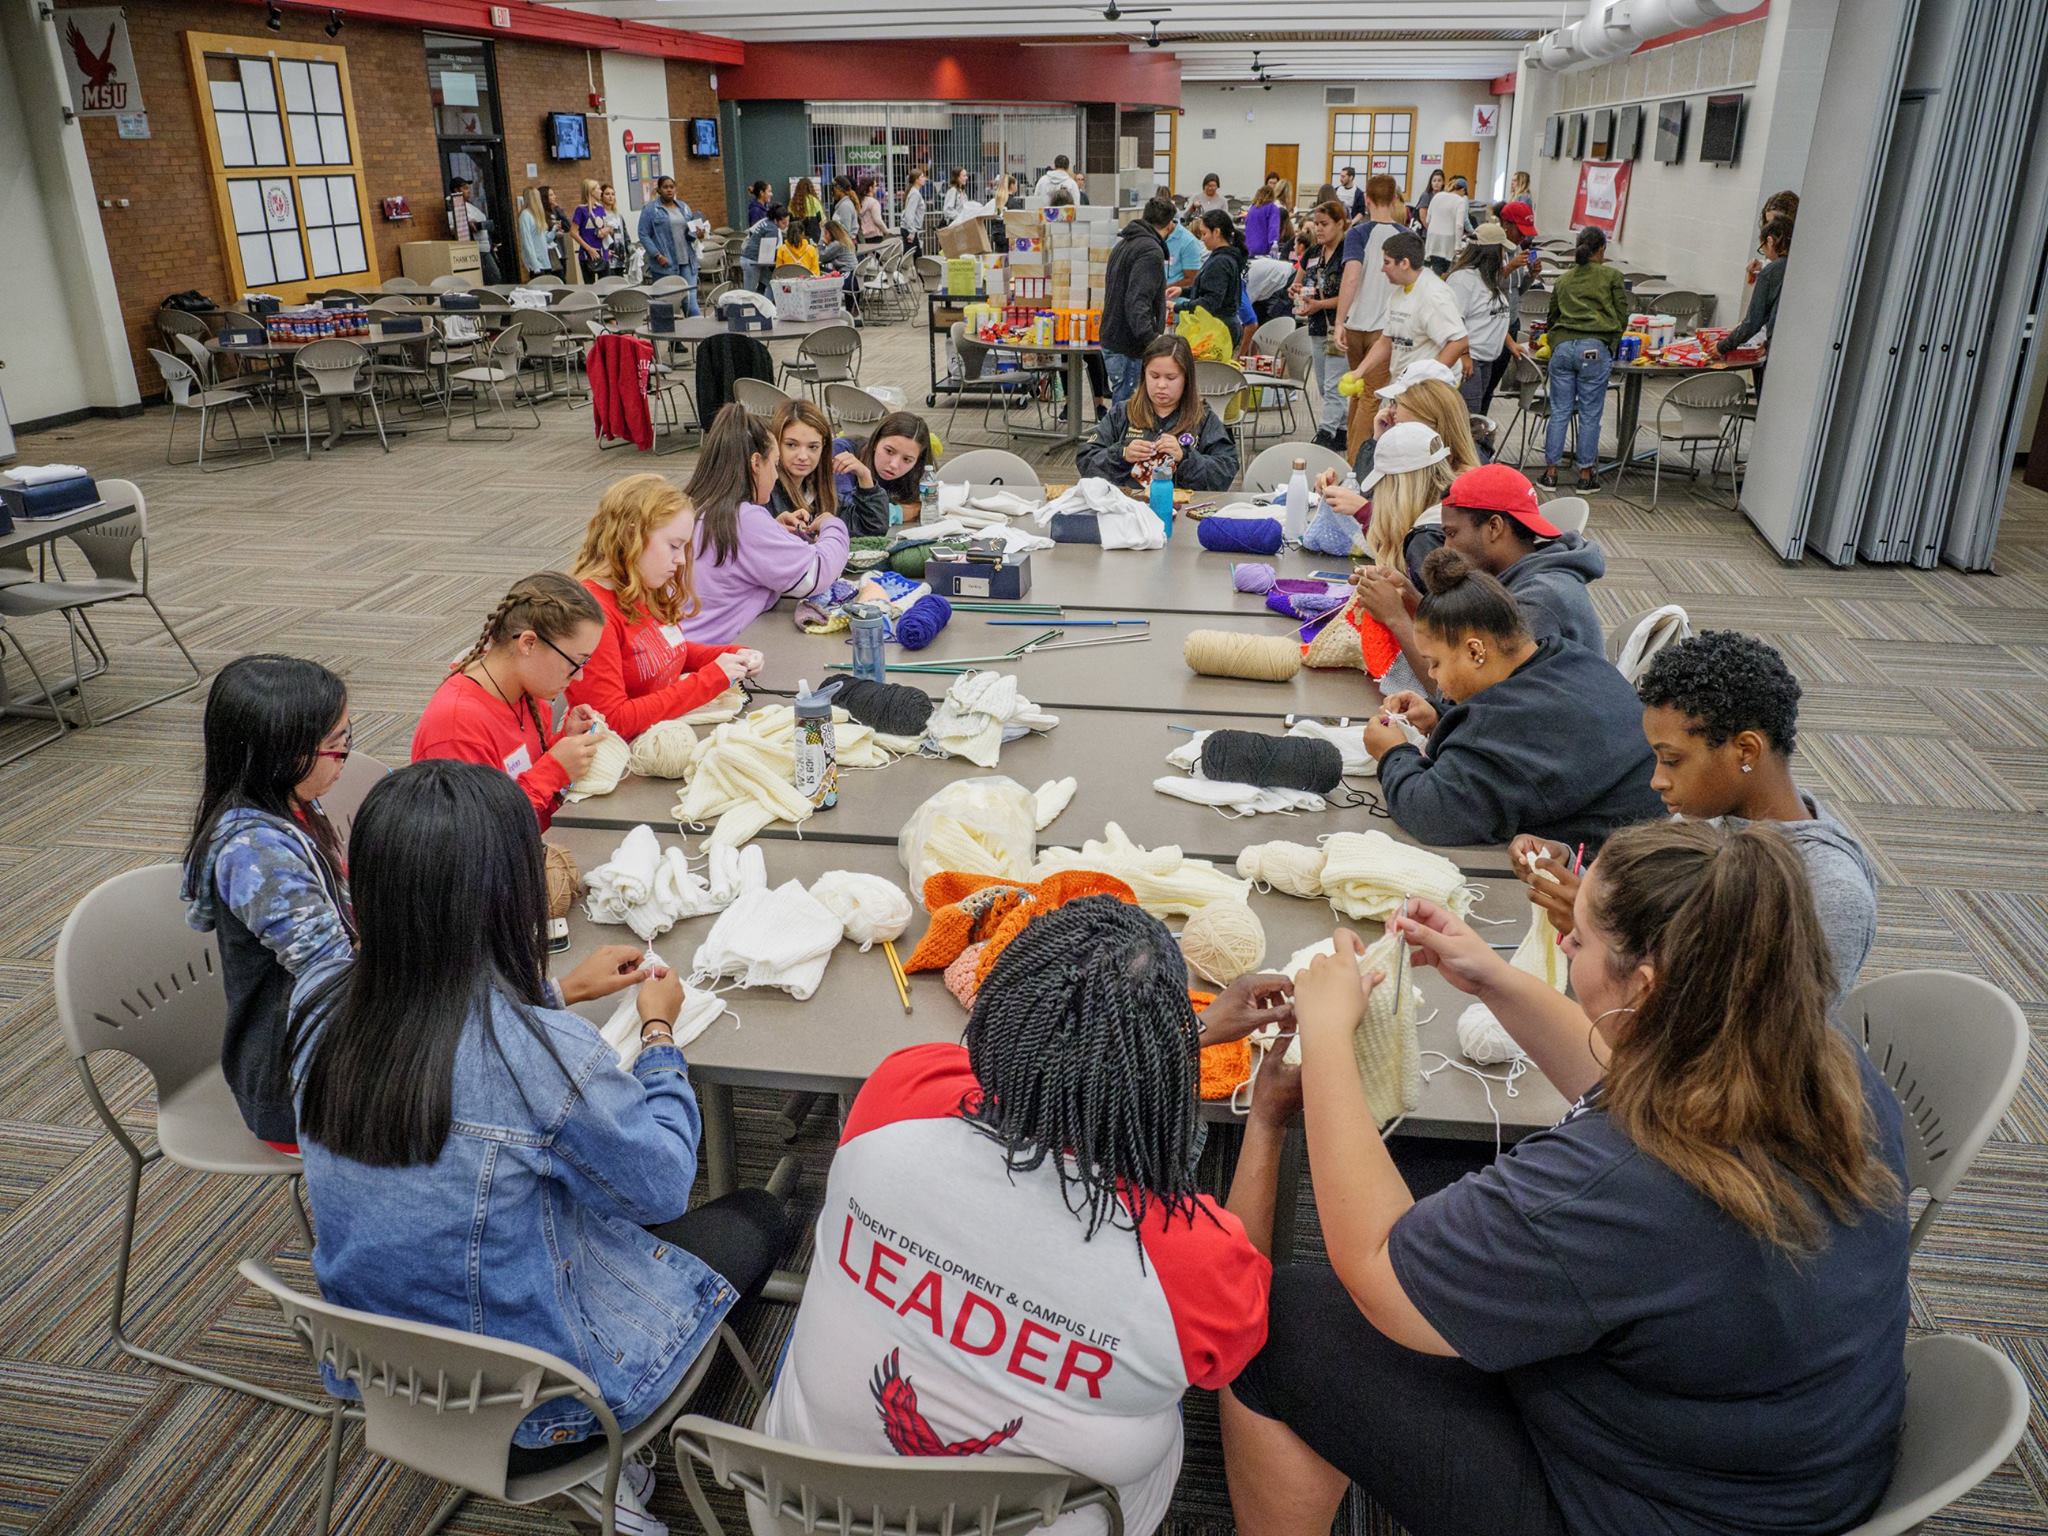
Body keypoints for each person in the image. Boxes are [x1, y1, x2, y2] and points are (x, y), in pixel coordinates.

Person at [1222, 814, 1908, 1536]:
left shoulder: (1614, 1185)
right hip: (1796, 1466)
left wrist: (1328, 1037)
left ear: (1644, 987)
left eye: (1578, 937)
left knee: (1277, 1321)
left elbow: (1378, 1266)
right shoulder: (1817, 1058)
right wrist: (1492, 978)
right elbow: (1626, 1085)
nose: (1563, 945)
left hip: (1659, 1511)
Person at [289, 759, 794, 1536]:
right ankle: (611, 1466)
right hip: (547, 1405)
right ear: (507, 897)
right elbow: (662, 1184)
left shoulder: (316, 1004)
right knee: (760, 1213)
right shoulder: (546, 1054)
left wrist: (558, 993)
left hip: (384, 1376)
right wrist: (659, 1033)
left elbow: (442, 1051)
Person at [762, 898, 1278, 1536]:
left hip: (809, 1507)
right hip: (1041, 1518)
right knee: (1170, 1398)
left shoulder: (901, 1092)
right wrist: (1266, 1119)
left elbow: (1037, 1078)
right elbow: (1238, 1341)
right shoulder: (1189, 1258)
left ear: (999, 1008)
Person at [1514, 631, 1879, 1000]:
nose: (1656, 780)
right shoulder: (1708, 818)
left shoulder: (1830, 891)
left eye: (1672, 761)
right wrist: (1574, 879)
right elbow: (1660, 920)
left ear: (1746, 751)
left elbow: (1759, 1022)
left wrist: (1603, 936)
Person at [1362, 551, 1662, 851]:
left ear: (1475, 652)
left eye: (1435, 663)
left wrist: (1392, 753)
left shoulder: (1506, 725)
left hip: (1610, 861)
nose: (1431, 674)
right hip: (1649, 833)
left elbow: (1432, 813)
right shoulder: (1567, 656)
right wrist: (1440, 717)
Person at [181, 656, 356, 1151]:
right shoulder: (256, 854)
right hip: (298, 1084)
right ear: (281, 755)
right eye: (336, 745)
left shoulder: (292, 801)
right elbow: (337, 978)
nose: (345, 756)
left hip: (323, 1040)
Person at [563, 474, 760, 740]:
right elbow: (611, 720)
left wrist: (730, 655)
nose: (681, 560)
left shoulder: (639, 585)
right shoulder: (591, 616)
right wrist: (710, 680)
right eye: (674, 546)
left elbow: (665, 653)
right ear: (631, 536)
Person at [411, 572, 605, 831]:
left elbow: (523, 769)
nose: (579, 676)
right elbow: (477, 832)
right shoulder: (456, 727)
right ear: (528, 643)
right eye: (576, 662)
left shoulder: (527, 691)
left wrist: (565, 743)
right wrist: (554, 771)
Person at [683, 404, 852, 644]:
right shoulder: (744, 518)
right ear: (755, 463)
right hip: (714, 649)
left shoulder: (697, 506)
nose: (774, 475)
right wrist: (833, 526)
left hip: (684, 641)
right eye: (774, 464)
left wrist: (772, 529)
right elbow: (816, 575)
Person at [1433, 462, 1606, 652]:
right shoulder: (1522, 574)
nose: (1446, 547)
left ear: (1494, 527)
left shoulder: (1535, 603)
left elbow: (1463, 669)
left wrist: (1405, 616)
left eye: (1452, 534)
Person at [1076, 332, 1238, 493]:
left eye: (1171, 378)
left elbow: (1225, 471)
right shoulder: (1122, 413)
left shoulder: (1203, 418)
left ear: (1186, 378)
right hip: (1128, 503)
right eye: (1154, 376)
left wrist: (1185, 457)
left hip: (1184, 505)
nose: (1161, 385)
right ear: (1144, 375)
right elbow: (1086, 460)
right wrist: (1122, 454)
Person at [1541, 225, 1629, 493]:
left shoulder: (1563, 279)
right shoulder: (1612, 276)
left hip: (1563, 349)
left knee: (1559, 411)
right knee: (1590, 414)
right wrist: (1611, 344)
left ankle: (1550, 473)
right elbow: (1621, 317)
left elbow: (1552, 318)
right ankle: (1585, 475)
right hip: (1594, 350)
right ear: (1602, 249)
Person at [1342, 231, 1468, 404]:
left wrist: (1430, 382)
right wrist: (1359, 372)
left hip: (1429, 392)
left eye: (1387, 262)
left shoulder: (1434, 295)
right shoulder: (1399, 293)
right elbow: (1386, 341)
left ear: (1404, 263)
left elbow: (1459, 341)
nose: (1382, 268)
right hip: (1404, 386)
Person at [1336, 174, 1407, 454]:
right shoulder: (1406, 238)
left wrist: (1339, 321)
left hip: (1355, 325)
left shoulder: (1357, 234)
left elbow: (1350, 278)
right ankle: (1356, 463)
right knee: (1371, 398)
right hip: (1385, 330)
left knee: (1357, 391)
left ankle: (1350, 454)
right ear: (1395, 199)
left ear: (1366, 199)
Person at [769, 397, 888, 539]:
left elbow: (873, 528)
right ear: (775, 443)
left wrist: (865, 477)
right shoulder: (763, 492)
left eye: (813, 447)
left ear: (823, 447)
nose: (803, 456)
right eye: (791, 445)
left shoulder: (820, 491)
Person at [1101, 197, 1177, 410]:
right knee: (1129, 408)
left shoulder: (1124, 244)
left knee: (1125, 404)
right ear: (1169, 225)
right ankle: (1119, 434)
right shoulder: (1150, 251)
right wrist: (1151, 338)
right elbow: (1138, 300)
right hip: (1130, 344)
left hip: (1114, 336)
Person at [1444, 223, 1523, 416]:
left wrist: (1511, 344)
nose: (1504, 255)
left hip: (1485, 359)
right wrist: (1464, 355)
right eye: (1502, 250)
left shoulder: (1487, 276)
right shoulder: (1463, 280)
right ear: (1491, 252)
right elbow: (1453, 322)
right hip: (1470, 360)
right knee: (1468, 417)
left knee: (1477, 413)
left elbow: (1492, 317)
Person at [1291, 200, 1349, 450]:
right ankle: (1342, 429)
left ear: (1340, 223)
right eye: (1316, 224)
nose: (1319, 229)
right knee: (1325, 384)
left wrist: (1320, 304)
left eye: (1324, 224)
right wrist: (1294, 290)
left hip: (1339, 327)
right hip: (1316, 325)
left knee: (1333, 384)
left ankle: (1325, 434)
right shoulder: (1313, 253)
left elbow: (1350, 296)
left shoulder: (1349, 254)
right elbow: (1297, 282)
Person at [1719, 215, 1791, 363]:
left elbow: (1753, 321)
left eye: (1762, 248)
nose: (1766, 256)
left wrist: (1722, 346)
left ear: (1770, 241)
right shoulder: (1800, 268)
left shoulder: (1770, 273)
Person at [1175, 209, 1249, 344]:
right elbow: (1209, 289)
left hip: (1218, 329)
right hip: (1222, 325)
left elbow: (1209, 302)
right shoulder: (1224, 257)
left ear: (1216, 232)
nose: (1202, 239)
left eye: (1204, 234)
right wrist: (1182, 291)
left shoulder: (1220, 262)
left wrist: (1178, 306)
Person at [850, 411, 935, 525]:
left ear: (917, 461)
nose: (894, 465)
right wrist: (899, 512)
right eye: (889, 451)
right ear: (875, 442)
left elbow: (927, 505)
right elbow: (844, 514)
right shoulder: (843, 452)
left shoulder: (917, 475)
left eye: (907, 459)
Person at [638, 176, 708, 314]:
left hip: (687, 261)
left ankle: (696, 327)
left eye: (671, 187)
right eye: (665, 187)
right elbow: (643, 234)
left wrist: (699, 234)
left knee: (690, 302)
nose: (669, 190)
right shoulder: (650, 209)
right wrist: (657, 255)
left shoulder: (684, 207)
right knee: (667, 304)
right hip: (665, 263)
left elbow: (691, 233)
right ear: (659, 190)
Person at [1424, 175, 1469, 272]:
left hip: (1433, 238)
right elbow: (1459, 225)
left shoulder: (1437, 196)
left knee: (1434, 268)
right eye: (1464, 193)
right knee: (1443, 271)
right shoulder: (1460, 201)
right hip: (1448, 241)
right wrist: (1458, 246)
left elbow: (1428, 219)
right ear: (1462, 190)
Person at [741, 203, 789, 293]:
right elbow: (768, 254)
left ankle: (765, 301)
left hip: (751, 259)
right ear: (776, 220)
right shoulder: (772, 230)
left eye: (787, 222)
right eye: (783, 223)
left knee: (772, 283)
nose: (786, 225)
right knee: (749, 293)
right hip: (752, 261)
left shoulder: (766, 221)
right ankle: (763, 300)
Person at [568, 178, 610, 281]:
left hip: (603, 252)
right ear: (591, 192)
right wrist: (588, 248)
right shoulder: (581, 210)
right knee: (590, 285)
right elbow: (573, 232)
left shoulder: (600, 208)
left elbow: (606, 226)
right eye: (598, 189)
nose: (601, 191)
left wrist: (606, 231)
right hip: (587, 254)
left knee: (606, 284)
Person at [516, 187, 558, 281]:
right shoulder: (525, 215)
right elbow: (527, 241)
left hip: (545, 262)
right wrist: (535, 265)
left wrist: (554, 230)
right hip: (537, 264)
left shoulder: (537, 215)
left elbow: (545, 239)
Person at [1242, 183, 1283, 257]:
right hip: (1264, 248)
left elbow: (1247, 225)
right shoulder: (1272, 208)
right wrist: (1274, 243)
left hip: (1249, 247)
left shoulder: (1252, 209)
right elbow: (1273, 227)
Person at [599, 183, 628, 275]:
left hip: (620, 256)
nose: (611, 197)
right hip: (608, 257)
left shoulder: (618, 215)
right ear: (601, 197)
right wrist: (604, 251)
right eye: (607, 194)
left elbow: (625, 234)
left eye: (613, 194)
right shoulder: (600, 215)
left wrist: (629, 249)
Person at [900, 168, 929, 247]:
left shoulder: (913, 192)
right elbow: (909, 214)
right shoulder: (915, 194)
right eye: (922, 177)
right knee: (913, 253)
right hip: (910, 231)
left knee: (914, 253)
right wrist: (912, 232)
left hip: (910, 229)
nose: (925, 179)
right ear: (916, 180)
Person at [791, 175, 823, 243]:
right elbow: (820, 219)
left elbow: (789, 218)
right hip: (813, 236)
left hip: (796, 237)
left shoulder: (793, 202)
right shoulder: (814, 201)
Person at [857, 180, 890, 245]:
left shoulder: (859, 202)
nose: (877, 188)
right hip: (875, 235)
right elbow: (877, 220)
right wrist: (886, 231)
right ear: (870, 188)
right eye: (875, 186)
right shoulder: (874, 203)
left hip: (863, 236)